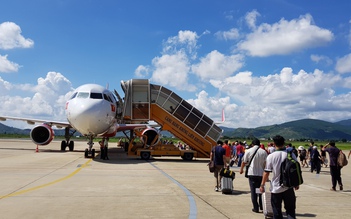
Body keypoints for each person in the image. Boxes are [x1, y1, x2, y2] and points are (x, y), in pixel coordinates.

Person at [260, 135, 299, 219]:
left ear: (274, 144)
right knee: (290, 211)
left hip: (276, 187)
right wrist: (296, 183)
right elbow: (296, 169)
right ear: (284, 143)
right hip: (289, 186)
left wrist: (262, 185)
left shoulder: (271, 156)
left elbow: (266, 172)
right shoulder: (290, 154)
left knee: (276, 211)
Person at [240, 138, 268, 213]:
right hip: (261, 174)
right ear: (259, 144)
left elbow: (244, 161)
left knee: (253, 191)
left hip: (252, 173)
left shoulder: (248, 151)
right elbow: (266, 164)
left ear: (252, 144)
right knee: (261, 190)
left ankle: (256, 207)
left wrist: (241, 169)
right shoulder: (264, 152)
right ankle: (262, 206)